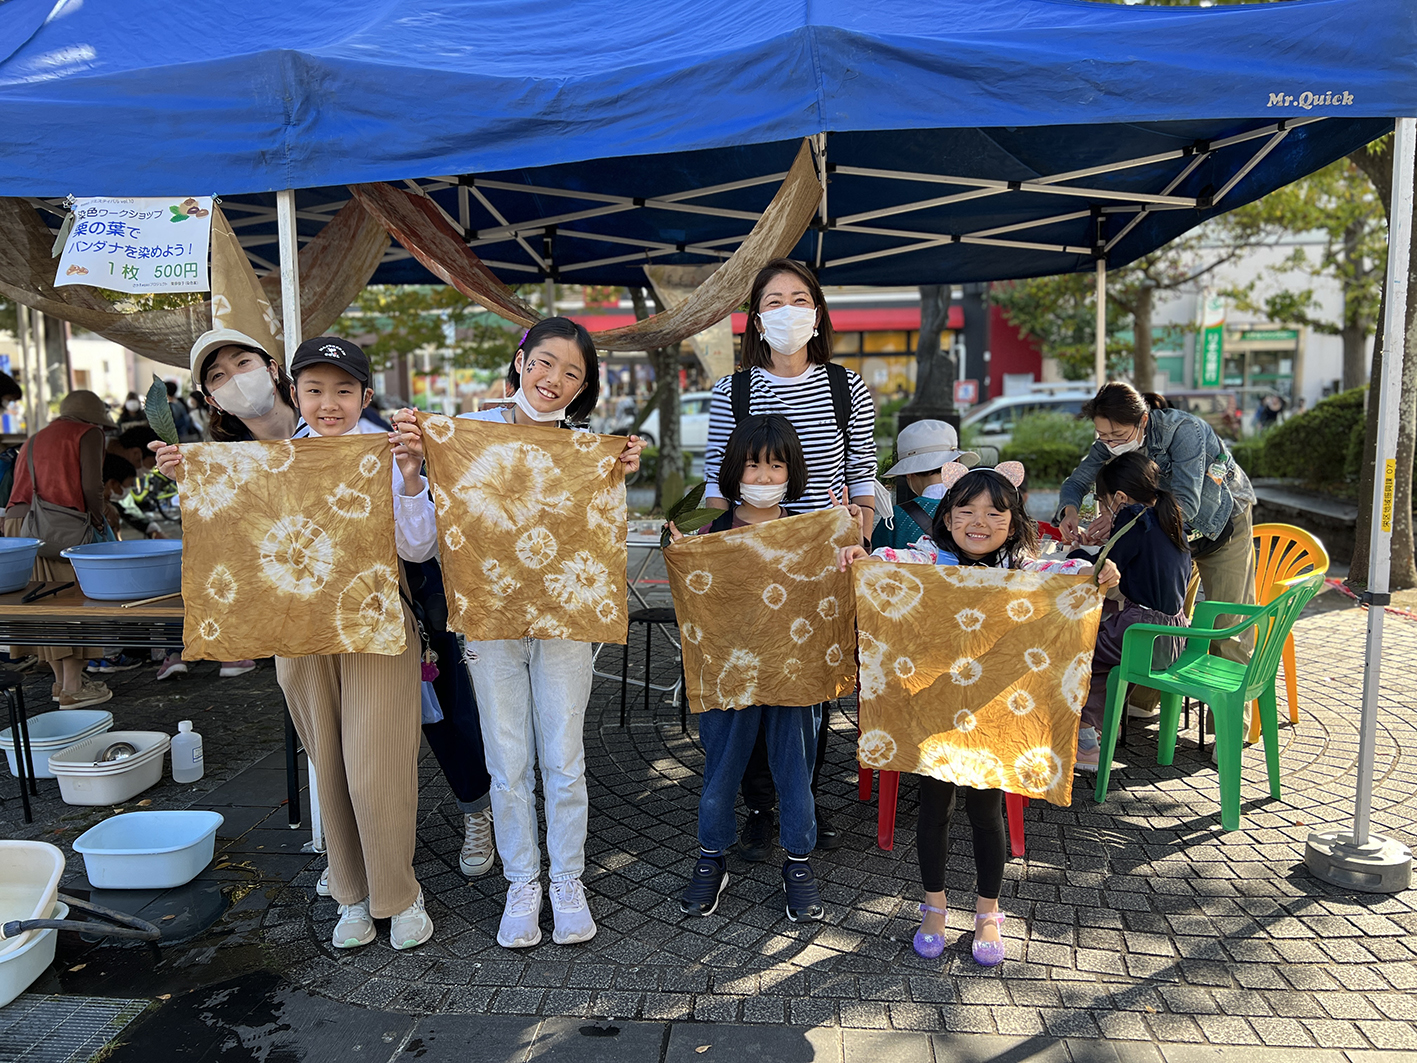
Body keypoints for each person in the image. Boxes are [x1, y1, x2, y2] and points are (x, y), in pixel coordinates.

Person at [392, 317, 645, 950]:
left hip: (564, 623)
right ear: (519, 360)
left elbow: (600, 535)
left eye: (573, 374)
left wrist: (620, 471)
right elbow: (420, 542)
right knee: (507, 761)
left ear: (583, 389)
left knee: (563, 760)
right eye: (546, 363)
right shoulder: (465, 435)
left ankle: (567, 879)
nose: (555, 380)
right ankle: (522, 881)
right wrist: (415, 473)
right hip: (490, 620)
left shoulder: (585, 451)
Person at [840, 463, 1118, 966]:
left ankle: (989, 912)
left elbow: (1069, 575)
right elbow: (882, 561)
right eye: (966, 510)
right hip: (935, 708)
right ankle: (935, 907)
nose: (979, 521)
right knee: (934, 809)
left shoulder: (1024, 566)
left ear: (1013, 522)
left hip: (994, 715)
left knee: (986, 814)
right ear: (946, 518)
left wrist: (1096, 574)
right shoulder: (926, 557)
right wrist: (859, 554)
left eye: (995, 512)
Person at [701, 258, 877, 858]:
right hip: (751, 563)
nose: (786, 311)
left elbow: (863, 483)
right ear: (755, 318)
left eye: (798, 299)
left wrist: (860, 535)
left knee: (810, 690)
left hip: (819, 567)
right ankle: (760, 806)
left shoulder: (846, 386)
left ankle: (801, 796)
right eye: (773, 301)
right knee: (749, 679)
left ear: (818, 312)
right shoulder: (735, 389)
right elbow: (717, 487)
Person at [671, 414, 829, 923]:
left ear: (793, 472)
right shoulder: (712, 532)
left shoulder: (810, 532)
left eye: (776, 466)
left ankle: (799, 863)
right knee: (720, 774)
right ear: (733, 469)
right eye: (753, 466)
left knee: (795, 773)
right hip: (727, 675)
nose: (763, 478)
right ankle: (710, 858)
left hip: (795, 673)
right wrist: (678, 553)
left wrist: (849, 545)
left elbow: (835, 587)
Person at [1055, 382, 1256, 673]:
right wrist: (1069, 511)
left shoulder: (1186, 431)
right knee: (1159, 612)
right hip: (1166, 531)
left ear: (1143, 420)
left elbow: (1186, 504)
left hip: (1221, 525)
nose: (1110, 443)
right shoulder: (1109, 441)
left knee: (1227, 629)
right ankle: (1143, 702)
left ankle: (1233, 714)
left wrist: (1122, 518)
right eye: (1103, 436)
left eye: (1118, 435)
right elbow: (1077, 482)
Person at [1073, 453, 1192, 772]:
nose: (1102, 510)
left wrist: (1075, 551)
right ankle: (1104, 722)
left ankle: (1084, 738)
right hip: (1174, 632)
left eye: (1102, 503)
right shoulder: (1169, 517)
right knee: (1104, 629)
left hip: (1143, 631)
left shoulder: (1134, 518)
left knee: (1079, 652)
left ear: (1119, 498)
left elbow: (1100, 567)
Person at [4, 390, 117, 709]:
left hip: (21, 527)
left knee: (44, 606)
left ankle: (60, 683)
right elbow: (91, 486)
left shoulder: (35, 438)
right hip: (60, 526)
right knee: (75, 603)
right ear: (93, 417)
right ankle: (74, 688)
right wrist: (99, 519)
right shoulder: (88, 433)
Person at [873, 420, 977, 551]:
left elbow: (874, 565)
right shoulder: (984, 511)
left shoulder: (895, 519)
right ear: (956, 462)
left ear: (909, 472)